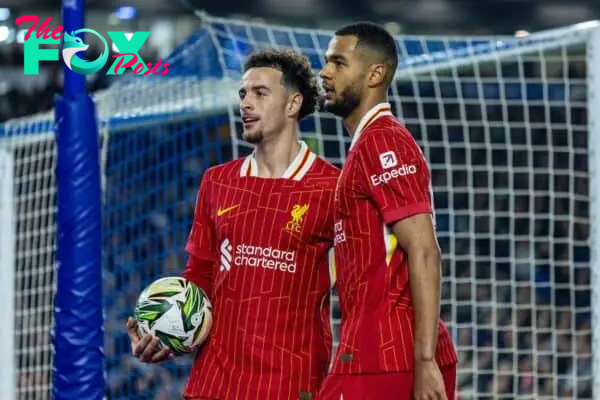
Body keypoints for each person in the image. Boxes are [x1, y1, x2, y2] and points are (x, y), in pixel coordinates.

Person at [126, 49, 340, 400]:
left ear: (293, 104)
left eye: (260, 93)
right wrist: (166, 333)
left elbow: (361, 286)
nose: (246, 103)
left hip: (290, 385)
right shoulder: (217, 181)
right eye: (243, 93)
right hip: (214, 383)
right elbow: (200, 274)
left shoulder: (331, 187)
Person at [318, 23, 458, 400]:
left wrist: (425, 360)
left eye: (338, 63)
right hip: (367, 349)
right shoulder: (367, 144)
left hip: (389, 354)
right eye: (326, 62)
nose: (325, 72)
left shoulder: (383, 140)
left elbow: (425, 250)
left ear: (375, 74)